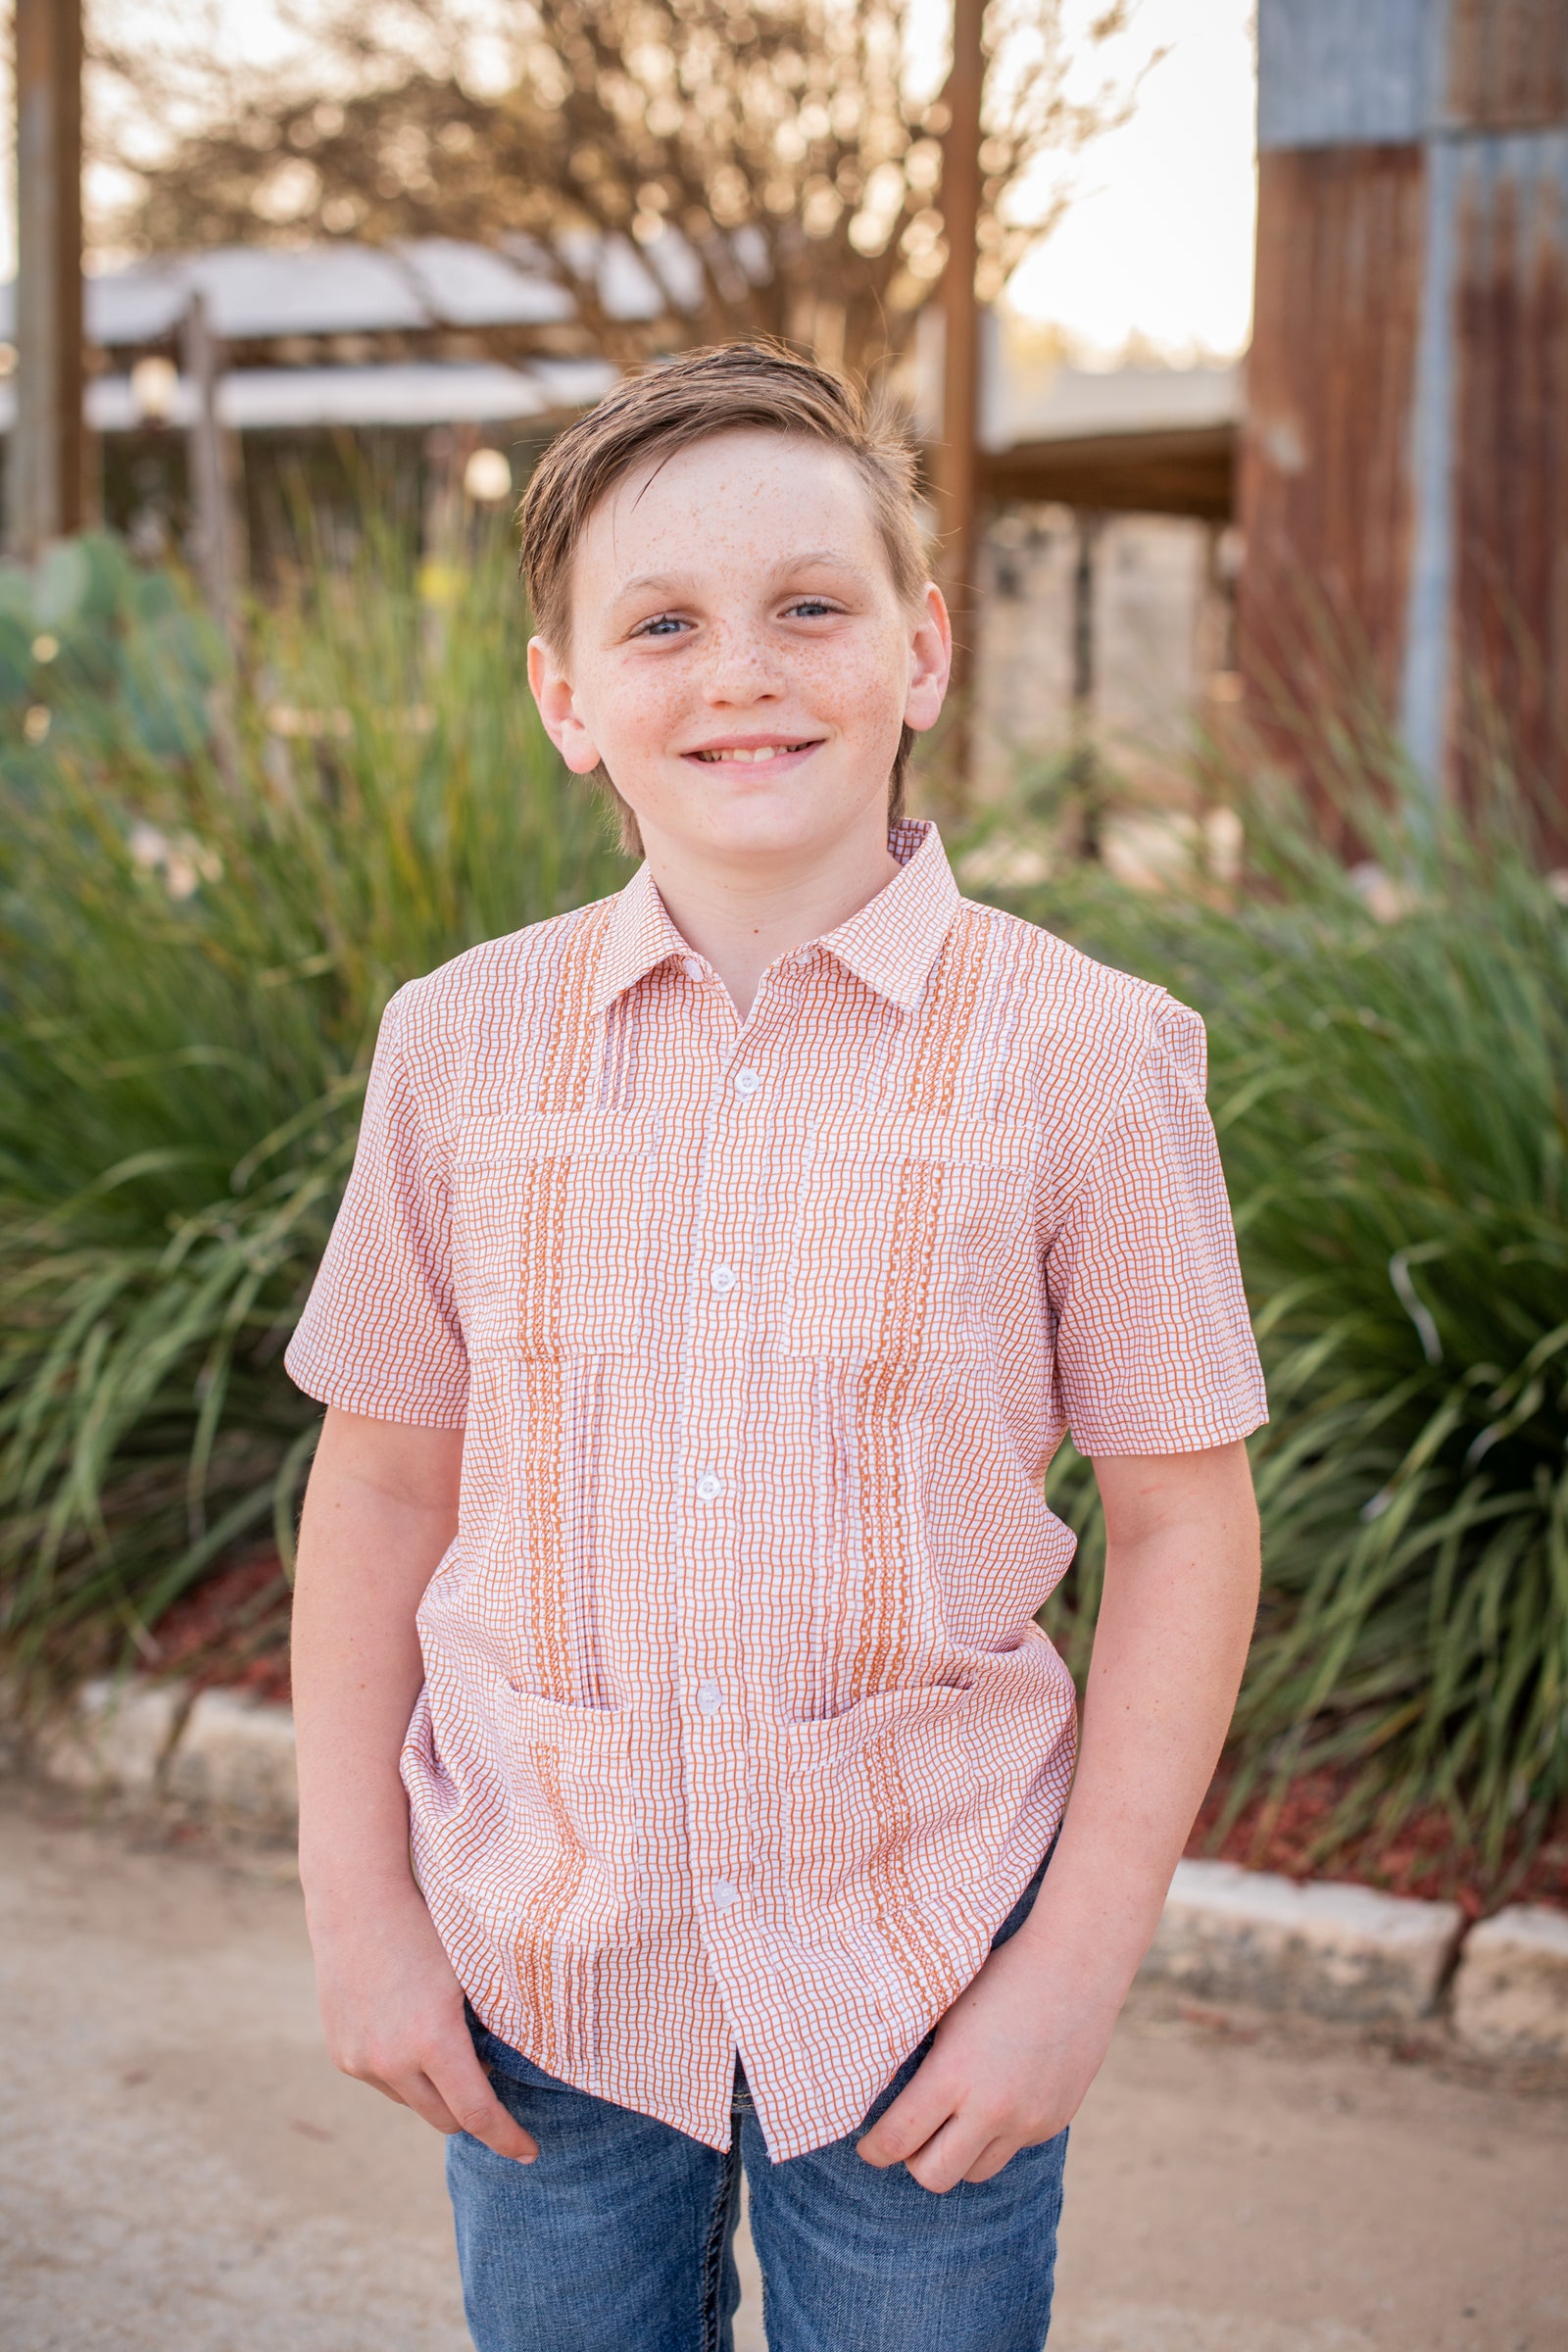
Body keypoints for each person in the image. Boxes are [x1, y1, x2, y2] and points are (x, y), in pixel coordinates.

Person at [285, 341, 1266, 2352]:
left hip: (921, 1979)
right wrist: (359, 1908)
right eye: (661, 624)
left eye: (806, 608)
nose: (740, 671)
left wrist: (1068, 1973)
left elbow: (1183, 1525)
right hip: (544, 1964)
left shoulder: (1086, 1055)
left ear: (915, 650)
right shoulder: (457, 1047)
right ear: (568, 699)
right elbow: (382, 1480)